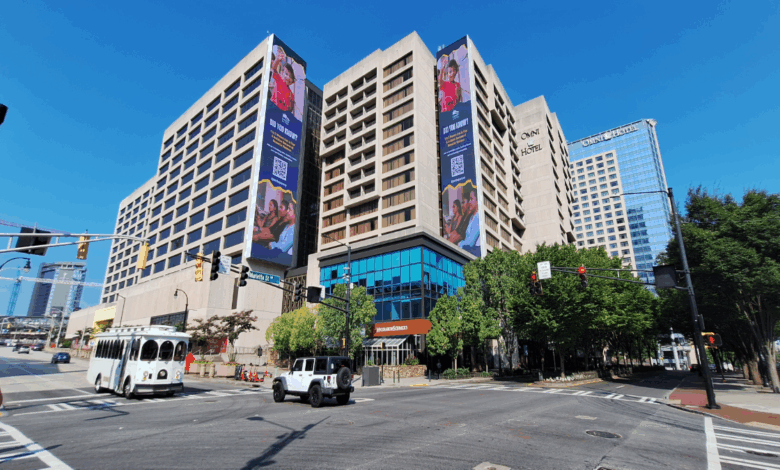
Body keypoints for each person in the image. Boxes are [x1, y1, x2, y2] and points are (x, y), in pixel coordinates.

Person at [269, 47, 296, 112]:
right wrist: (278, 60)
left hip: (281, 114)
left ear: (291, 81)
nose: (284, 75)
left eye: (287, 74)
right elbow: (274, 69)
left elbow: (291, 108)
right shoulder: (280, 80)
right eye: (284, 72)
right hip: (272, 108)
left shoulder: (291, 95)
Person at [459, 187, 481, 251]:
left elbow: (471, 242)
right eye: (469, 200)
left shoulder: (478, 217)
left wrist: (459, 244)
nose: (469, 202)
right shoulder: (471, 217)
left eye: (471, 199)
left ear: (477, 201)